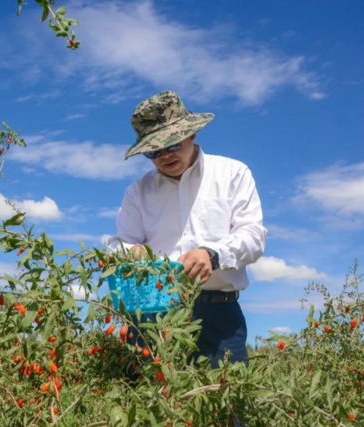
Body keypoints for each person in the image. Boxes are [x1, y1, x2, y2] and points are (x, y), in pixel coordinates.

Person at [106, 90, 267, 367]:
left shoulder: (232, 174)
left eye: (172, 145)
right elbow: (117, 244)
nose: (165, 156)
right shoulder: (138, 192)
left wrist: (212, 254)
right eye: (154, 151)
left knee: (224, 407)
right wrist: (130, 251)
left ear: (191, 134)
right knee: (148, 404)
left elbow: (253, 238)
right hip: (151, 317)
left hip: (218, 319)